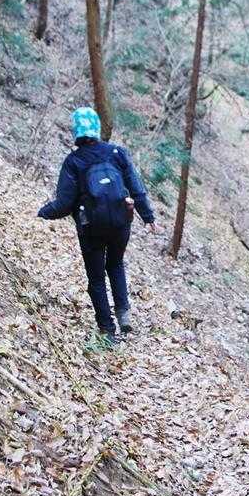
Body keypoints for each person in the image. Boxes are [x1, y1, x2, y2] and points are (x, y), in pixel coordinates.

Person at [38, 107, 155, 343]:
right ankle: (124, 314)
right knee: (116, 264)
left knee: (96, 278)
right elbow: (136, 187)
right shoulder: (116, 153)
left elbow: (64, 204)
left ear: (76, 131)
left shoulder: (73, 161)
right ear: (97, 127)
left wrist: (42, 213)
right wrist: (148, 216)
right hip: (121, 223)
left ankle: (107, 331)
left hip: (91, 228)